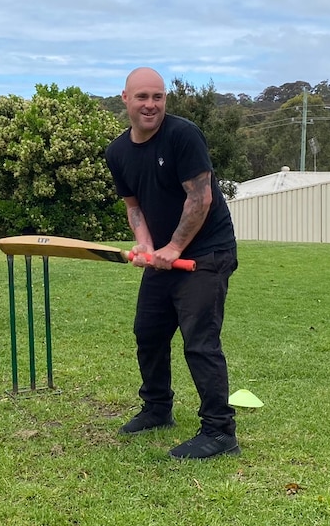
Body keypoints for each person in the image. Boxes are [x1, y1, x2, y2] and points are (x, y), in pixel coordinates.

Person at [105, 67, 240, 460]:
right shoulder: (117, 152)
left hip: (207, 253)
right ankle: (157, 407)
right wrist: (146, 244)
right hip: (165, 254)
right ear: (125, 98)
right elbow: (134, 206)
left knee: (199, 341)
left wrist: (175, 247)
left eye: (158, 97)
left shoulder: (183, 135)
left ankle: (219, 431)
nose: (151, 105)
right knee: (148, 331)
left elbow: (200, 198)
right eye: (143, 97)